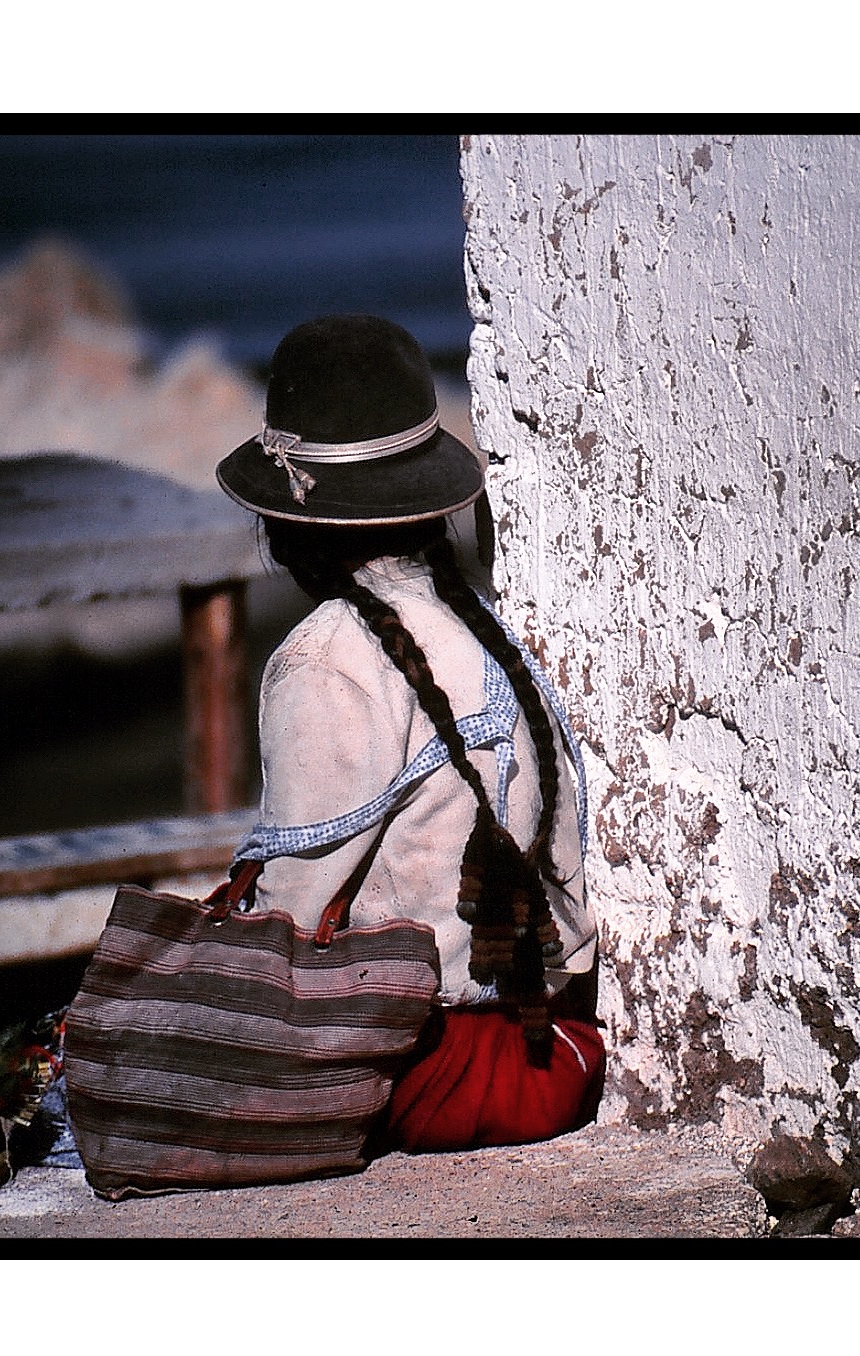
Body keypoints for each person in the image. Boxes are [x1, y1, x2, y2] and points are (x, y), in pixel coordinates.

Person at [215, 313, 605, 1153]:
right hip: (544, 1055)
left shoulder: (324, 661)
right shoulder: (491, 636)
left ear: (287, 519)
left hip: (421, 1071)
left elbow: (294, 909)